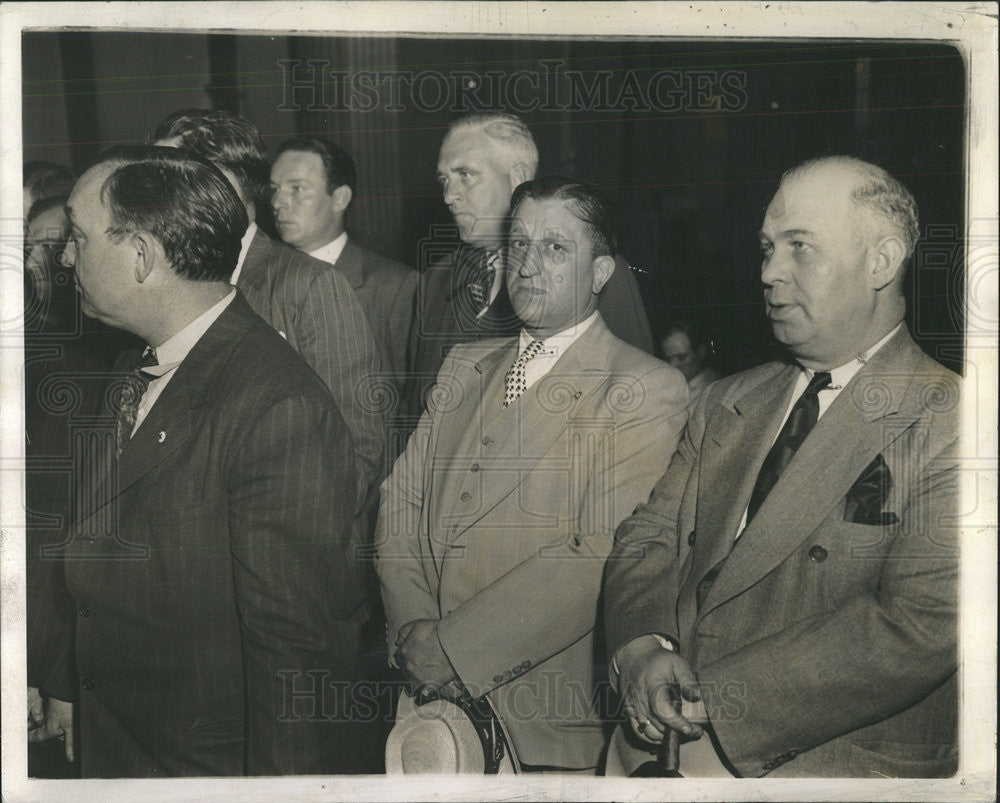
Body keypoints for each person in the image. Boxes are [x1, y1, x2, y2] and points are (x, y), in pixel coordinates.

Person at [603, 156, 961, 778]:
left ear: (881, 261)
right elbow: (650, 533)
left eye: (801, 247)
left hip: (825, 764)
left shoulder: (955, 419)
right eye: (768, 247)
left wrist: (717, 698)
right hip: (652, 746)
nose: (769, 272)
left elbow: (920, 625)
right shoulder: (724, 401)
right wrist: (641, 647)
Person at [28, 145, 366, 776]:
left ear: (141, 256)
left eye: (76, 236)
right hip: (117, 743)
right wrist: (68, 681)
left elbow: (296, 661)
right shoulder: (134, 365)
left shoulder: (275, 405)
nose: (65, 256)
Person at [377, 176, 688, 773]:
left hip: (541, 724)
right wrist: (416, 635)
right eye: (519, 245)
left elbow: (601, 553)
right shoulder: (466, 364)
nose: (527, 264)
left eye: (555, 248)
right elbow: (399, 504)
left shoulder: (643, 387)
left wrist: (454, 650)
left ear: (600, 273)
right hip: (425, 712)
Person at [151, 109, 386, 532]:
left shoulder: (309, 284)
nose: (155, 198)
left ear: (225, 181)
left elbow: (357, 450)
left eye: (171, 179)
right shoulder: (167, 285)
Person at [401, 112, 654, 433]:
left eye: (465, 174)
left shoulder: (595, 274)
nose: (449, 196)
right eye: (444, 180)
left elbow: (630, 404)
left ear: (518, 176)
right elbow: (413, 413)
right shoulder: (436, 281)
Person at [271, 135, 418, 392]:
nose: (277, 203)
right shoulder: (263, 276)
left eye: (296, 189)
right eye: (275, 189)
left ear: (340, 198)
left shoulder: (395, 286)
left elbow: (409, 396)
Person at [660, 319, 722, 408]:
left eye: (681, 357)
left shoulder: (714, 388)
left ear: (701, 352)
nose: (672, 365)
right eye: (667, 358)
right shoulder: (669, 385)